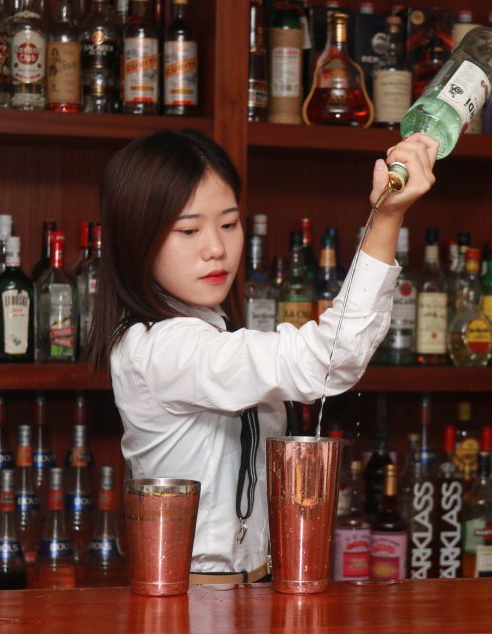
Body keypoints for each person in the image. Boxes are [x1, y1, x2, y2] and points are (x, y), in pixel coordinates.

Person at [86, 129, 438, 584]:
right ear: (137, 238)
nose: (216, 248)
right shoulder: (160, 348)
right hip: (194, 601)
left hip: (251, 590)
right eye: (189, 230)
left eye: (229, 224)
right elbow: (327, 360)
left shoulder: (215, 329)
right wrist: (386, 218)